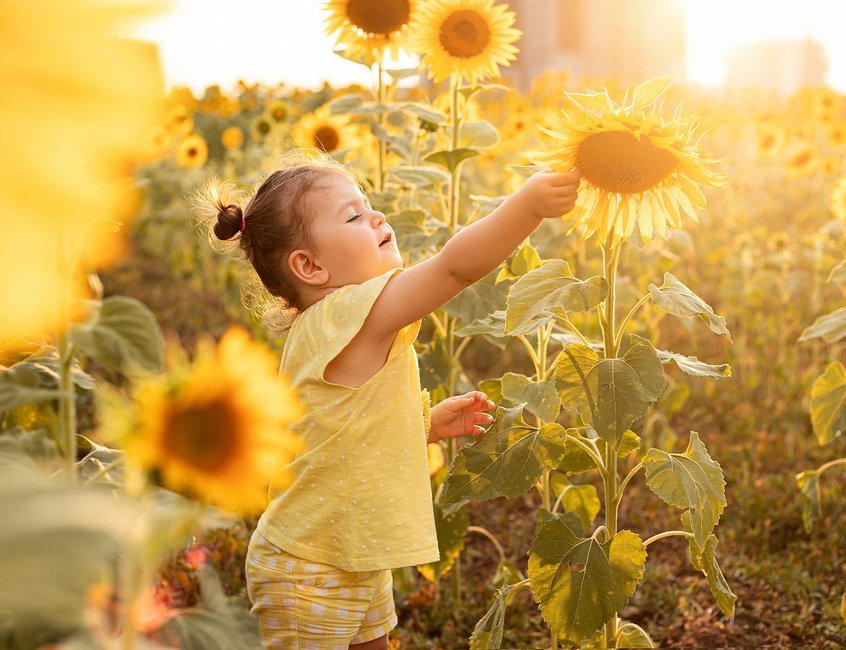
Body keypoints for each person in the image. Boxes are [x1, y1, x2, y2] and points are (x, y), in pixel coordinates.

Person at [194, 154, 580, 649]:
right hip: (311, 570)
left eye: (369, 205)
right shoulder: (348, 312)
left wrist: (424, 424)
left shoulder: (330, 325)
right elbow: (454, 270)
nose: (377, 217)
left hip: (352, 548)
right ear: (310, 266)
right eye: (354, 216)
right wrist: (526, 207)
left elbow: (339, 432)